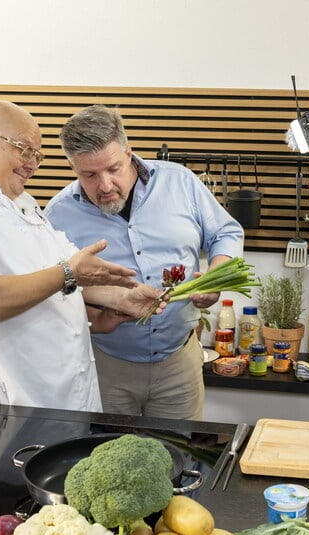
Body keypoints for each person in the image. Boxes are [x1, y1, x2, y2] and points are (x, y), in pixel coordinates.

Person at [0, 100, 165, 411]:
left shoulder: (20, 201)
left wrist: (120, 298)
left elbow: (67, 271)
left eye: (37, 155)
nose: (32, 164)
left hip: (61, 404)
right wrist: (68, 273)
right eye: (23, 149)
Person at [46, 105, 244, 420]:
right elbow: (53, 291)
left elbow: (226, 231)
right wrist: (94, 314)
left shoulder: (180, 182)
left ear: (129, 153)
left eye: (113, 168)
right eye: (90, 175)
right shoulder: (57, 215)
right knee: (108, 465)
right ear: (73, 167)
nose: (106, 185)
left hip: (179, 364)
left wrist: (217, 275)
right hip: (105, 368)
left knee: (176, 462)